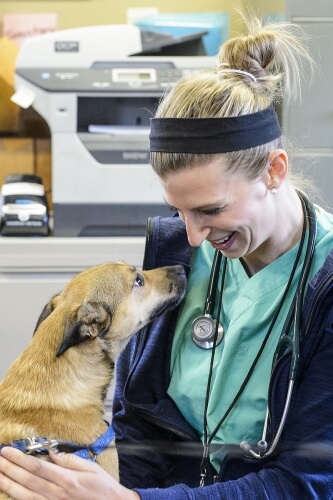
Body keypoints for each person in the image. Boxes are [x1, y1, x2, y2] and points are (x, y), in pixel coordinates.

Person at [1, 12, 333, 500]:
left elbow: (302, 485)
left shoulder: (323, 289)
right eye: (178, 211)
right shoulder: (176, 251)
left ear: (274, 171)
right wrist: (74, 475)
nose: (194, 238)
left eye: (210, 209)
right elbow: (140, 422)